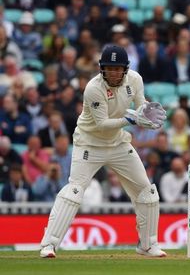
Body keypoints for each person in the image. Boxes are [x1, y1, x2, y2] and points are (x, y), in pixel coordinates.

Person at [39, 45, 167, 258]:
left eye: (118, 69)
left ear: (125, 69)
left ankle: (147, 245)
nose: (113, 73)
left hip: (118, 144)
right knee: (75, 191)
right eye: (109, 68)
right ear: (102, 69)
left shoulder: (135, 80)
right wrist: (131, 119)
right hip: (89, 143)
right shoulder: (93, 88)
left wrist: (146, 114)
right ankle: (49, 244)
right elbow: (102, 124)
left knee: (147, 192)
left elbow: (141, 106)